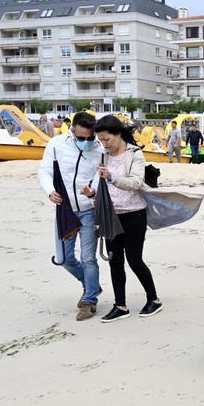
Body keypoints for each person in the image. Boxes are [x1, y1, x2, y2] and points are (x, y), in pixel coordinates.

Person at [85, 115, 162, 322]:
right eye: (100, 141)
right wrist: (92, 194)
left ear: (118, 134)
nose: (104, 144)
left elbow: (136, 182)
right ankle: (120, 306)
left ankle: (153, 300)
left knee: (135, 259)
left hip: (135, 214)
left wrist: (111, 177)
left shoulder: (134, 153)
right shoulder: (104, 156)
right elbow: (102, 188)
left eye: (107, 139)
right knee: (114, 262)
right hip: (112, 216)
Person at [38, 112, 103, 321]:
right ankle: (91, 285)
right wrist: (50, 191)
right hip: (65, 211)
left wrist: (92, 191)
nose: (86, 142)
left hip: (89, 211)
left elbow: (99, 177)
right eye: (81, 138)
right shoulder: (57, 144)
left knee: (88, 257)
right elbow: (45, 171)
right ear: (72, 130)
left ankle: (90, 300)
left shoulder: (100, 150)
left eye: (90, 138)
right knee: (64, 259)